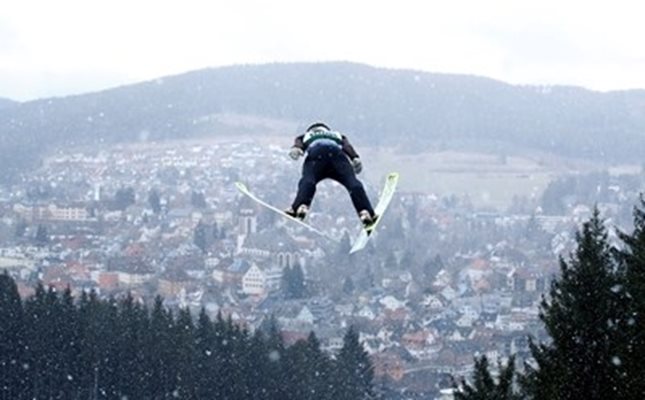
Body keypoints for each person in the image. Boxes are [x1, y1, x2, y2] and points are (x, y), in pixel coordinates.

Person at [285, 122, 377, 227]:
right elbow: (347, 146)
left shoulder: (305, 136)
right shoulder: (337, 135)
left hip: (317, 155)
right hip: (337, 156)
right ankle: (365, 211)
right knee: (352, 183)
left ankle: (300, 205)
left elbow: (299, 144)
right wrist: (354, 157)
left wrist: (297, 149)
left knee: (308, 180)